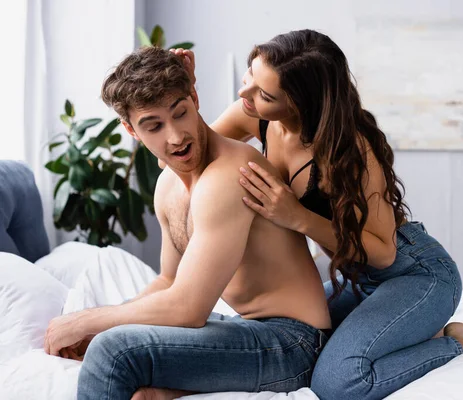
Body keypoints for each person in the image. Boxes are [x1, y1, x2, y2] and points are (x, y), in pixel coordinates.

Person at [173, 29, 463, 400]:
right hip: (357, 280)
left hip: (415, 275)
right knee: (288, 341)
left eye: (264, 95)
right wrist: (186, 92)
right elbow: (188, 158)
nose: (243, 95)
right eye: (248, 77)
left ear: (301, 103)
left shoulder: (350, 150)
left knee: (337, 383)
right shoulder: (254, 116)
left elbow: (383, 253)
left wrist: (297, 216)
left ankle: (456, 341)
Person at [43, 46, 331, 400]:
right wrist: (105, 325)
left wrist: (85, 322)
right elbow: (169, 280)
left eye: (180, 113)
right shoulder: (167, 186)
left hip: (292, 344)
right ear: (131, 130)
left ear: (194, 98)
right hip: (249, 330)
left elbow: (189, 309)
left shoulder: (229, 176)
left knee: (113, 353)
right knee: (132, 378)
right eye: (154, 126)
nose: (176, 136)